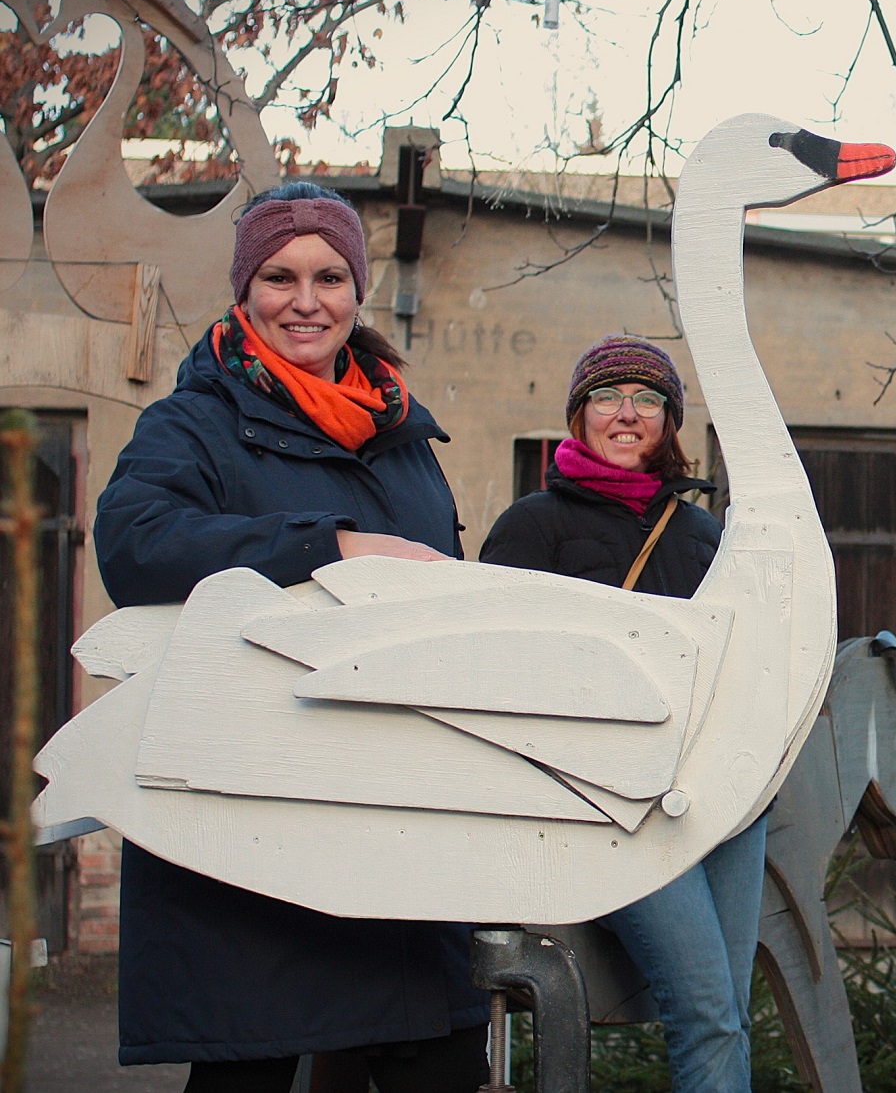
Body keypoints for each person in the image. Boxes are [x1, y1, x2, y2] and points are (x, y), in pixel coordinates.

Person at [93, 183, 489, 1091]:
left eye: (330, 277)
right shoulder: (190, 425)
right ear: (244, 291)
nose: (305, 300)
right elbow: (134, 542)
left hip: (397, 836)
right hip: (255, 844)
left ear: (358, 292)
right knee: (253, 1073)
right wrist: (326, 546)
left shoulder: (402, 440)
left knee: (440, 1064)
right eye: (279, 276)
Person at [480, 336, 763, 1092]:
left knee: (730, 1010)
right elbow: (495, 672)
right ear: (579, 416)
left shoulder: (710, 538)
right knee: (706, 1009)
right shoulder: (532, 524)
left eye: (647, 400)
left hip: (723, 796)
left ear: (669, 421)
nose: (626, 414)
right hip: (613, 807)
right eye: (607, 397)